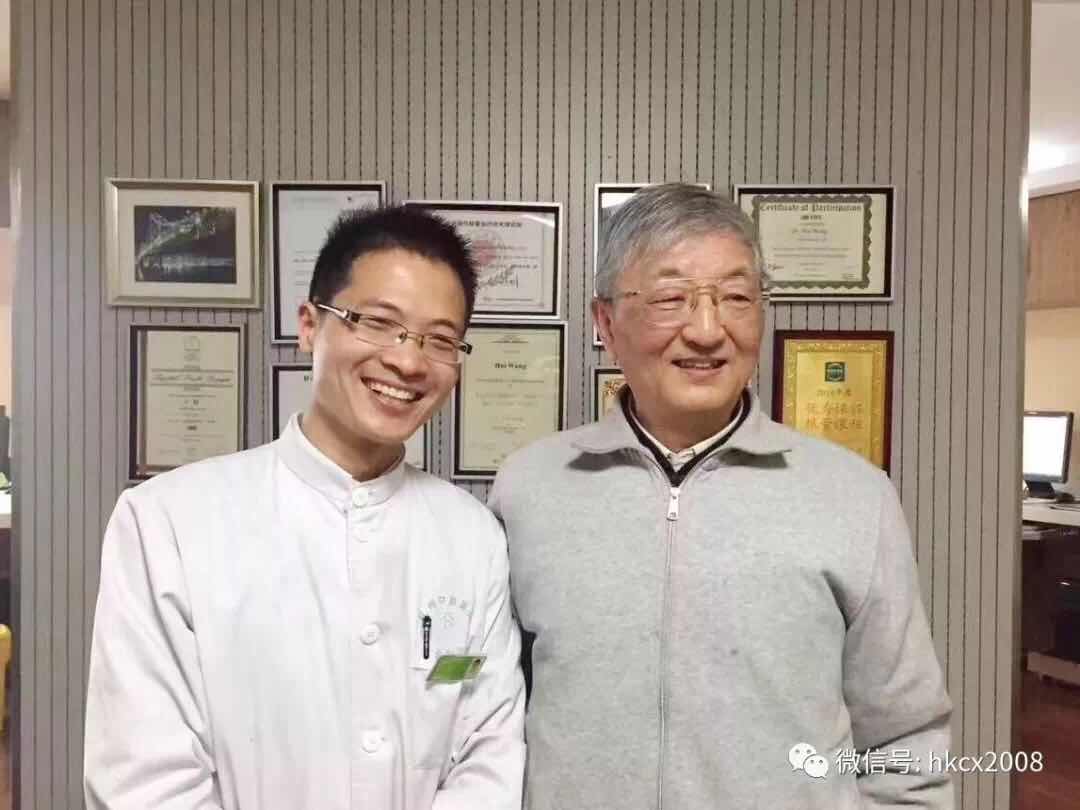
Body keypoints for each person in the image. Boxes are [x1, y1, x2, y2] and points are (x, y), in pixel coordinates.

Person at [489, 183, 952, 809]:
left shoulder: (855, 496)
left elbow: (907, 739)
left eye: (736, 297)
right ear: (606, 323)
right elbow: (487, 718)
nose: (707, 331)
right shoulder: (528, 487)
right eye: (670, 298)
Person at [85, 206, 526, 810]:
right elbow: (145, 781)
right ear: (311, 326)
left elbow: (489, 752)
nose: (408, 361)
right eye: (379, 323)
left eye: (441, 340)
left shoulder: (472, 537)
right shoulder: (166, 523)